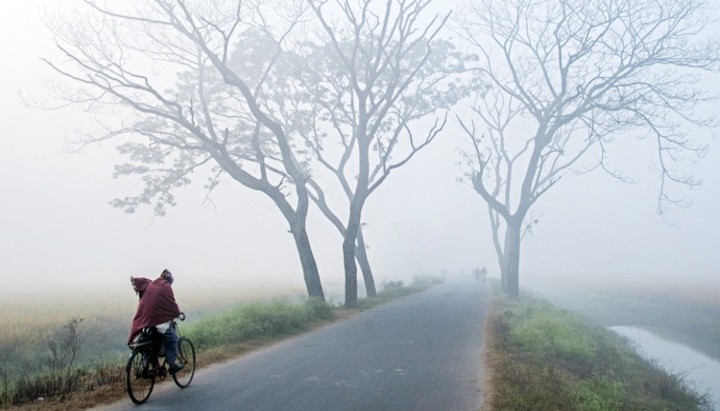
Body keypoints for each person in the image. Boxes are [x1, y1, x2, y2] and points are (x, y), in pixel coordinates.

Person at [128, 269, 184, 374]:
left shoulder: (151, 284)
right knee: (173, 340)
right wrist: (178, 314)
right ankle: (172, 365)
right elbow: (172, 304)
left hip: (146, 321)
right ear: (169, 281)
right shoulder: (166, 287)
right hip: (158, 322)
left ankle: (146, 363)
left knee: (149, 342)